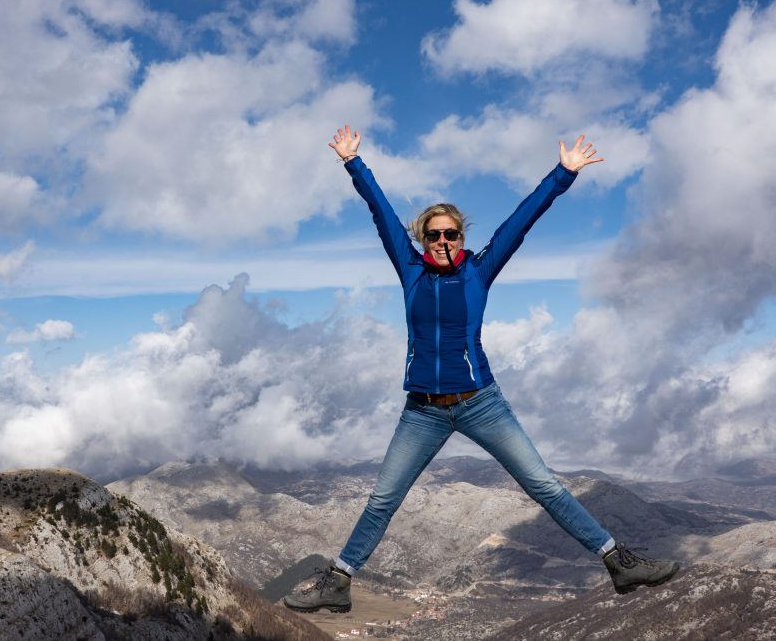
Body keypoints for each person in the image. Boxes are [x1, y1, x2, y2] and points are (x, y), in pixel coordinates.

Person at [283, 126, 680, 614]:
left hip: (480, 404)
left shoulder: (479, 270)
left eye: (452, 234)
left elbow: (522, 220)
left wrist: (564, 174)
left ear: (462, 239)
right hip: (422, 411)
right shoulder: (410, 271)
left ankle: (618, 562)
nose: (444, 240)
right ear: (423, 240)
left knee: (544, 486)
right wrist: (353, 163)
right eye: (434, 235)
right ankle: (340, 581)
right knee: (383, 499)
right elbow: (381, 213)